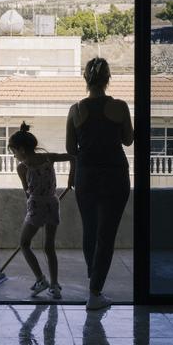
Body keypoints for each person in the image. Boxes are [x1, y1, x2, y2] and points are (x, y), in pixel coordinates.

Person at [65, 57, 133, 310]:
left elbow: (71, 148)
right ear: (108, 79)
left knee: (90, 230)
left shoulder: (76, 110)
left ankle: (93, 284)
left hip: (87, 175)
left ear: (85, 79)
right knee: (107, 235)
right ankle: (95, 291)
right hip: (115, 174)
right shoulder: (120, 107)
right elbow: (128, 140)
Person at [8, 122, 75, 299]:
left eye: (14, 151)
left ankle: (40, 279)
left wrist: (31, 207)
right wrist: (71, 179)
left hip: (36, 206)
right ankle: (55, 286)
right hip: (52, 204)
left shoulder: (22, 168)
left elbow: (26, 192)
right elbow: (73, 158)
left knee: (24, 243)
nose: (14, 156)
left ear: (21, 149)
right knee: (49, 247)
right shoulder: (49, 158)